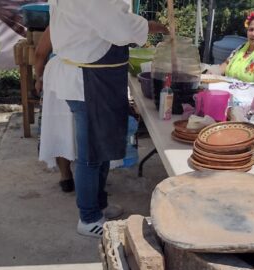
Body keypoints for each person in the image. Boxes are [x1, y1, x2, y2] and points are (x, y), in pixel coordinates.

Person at [45, 0, 168, 238]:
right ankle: (88, 217)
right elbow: (120, 28)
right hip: (88, 80)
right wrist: (155, 26)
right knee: (91, 154)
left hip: (97, 77)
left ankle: (98, 205)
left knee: (100, 149)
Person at [34, 26, 75, 193]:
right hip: (86, 75)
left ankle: (66, 177)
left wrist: (39, 78)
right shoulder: (94, 16)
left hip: (57, 75)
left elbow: (39, 54)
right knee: (82, 128)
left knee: (59, 127)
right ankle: (90, 177)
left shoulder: (59, 19)